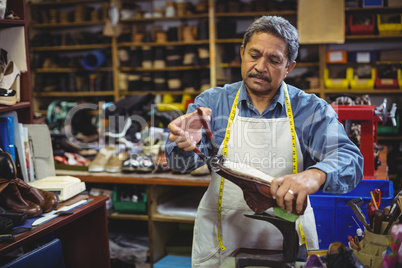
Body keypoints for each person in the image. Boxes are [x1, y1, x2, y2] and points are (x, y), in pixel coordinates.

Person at [165, 15, 363, 267]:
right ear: (241, 53)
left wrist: (314, 175)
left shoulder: (310, 109)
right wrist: (184, 145)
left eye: (274, 60)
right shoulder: (214, 102)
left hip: (289, 244)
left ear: (289, 67)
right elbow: (179, 164)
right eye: (254, 55)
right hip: (222, 241)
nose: (260, 66)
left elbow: (351, 160)